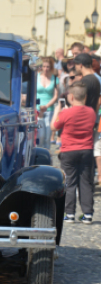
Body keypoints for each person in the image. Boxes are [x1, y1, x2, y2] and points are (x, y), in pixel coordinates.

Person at [51, 81, 95, 224]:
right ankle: (87, 214)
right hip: (87, 150)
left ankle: (69, 214)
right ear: (86, 96)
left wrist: (58, 109)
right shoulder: (91, 112)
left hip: (69, 150)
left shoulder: (66, 112)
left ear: (70, 97)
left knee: (69, 183)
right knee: (86, 182)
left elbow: (53, 127)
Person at [36, 57, 59, 149]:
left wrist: (46, 106)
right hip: (38, 109)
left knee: (47, 137)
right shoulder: (37, 77)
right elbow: (33, 93)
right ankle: (38, 153)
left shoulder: (54, 79)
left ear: (51, 67)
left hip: (49, 110)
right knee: (40, 135)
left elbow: (56, 95)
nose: (45, 69)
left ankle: (46, 155)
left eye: (48, 67)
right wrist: (39, 105)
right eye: (44, 66)